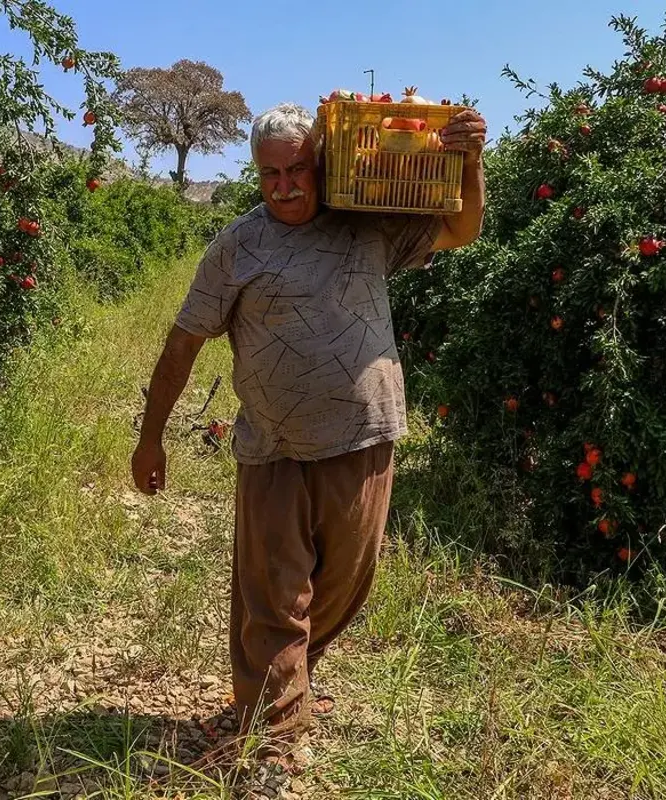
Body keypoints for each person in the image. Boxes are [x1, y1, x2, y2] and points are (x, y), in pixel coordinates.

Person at [129, 101, 487, 766]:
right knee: (275, 599)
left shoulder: (369, 226)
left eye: (298, 169)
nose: (287, 186)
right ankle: (272, 743)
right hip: (274, 449)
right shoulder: (238, 246)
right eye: (271, 175)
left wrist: (471, 161)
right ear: (256, 175)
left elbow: (459, 229)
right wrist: (150, 438)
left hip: (363, 440)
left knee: (342, 587)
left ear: (321, 164)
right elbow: (182, 346)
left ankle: (286, 682)